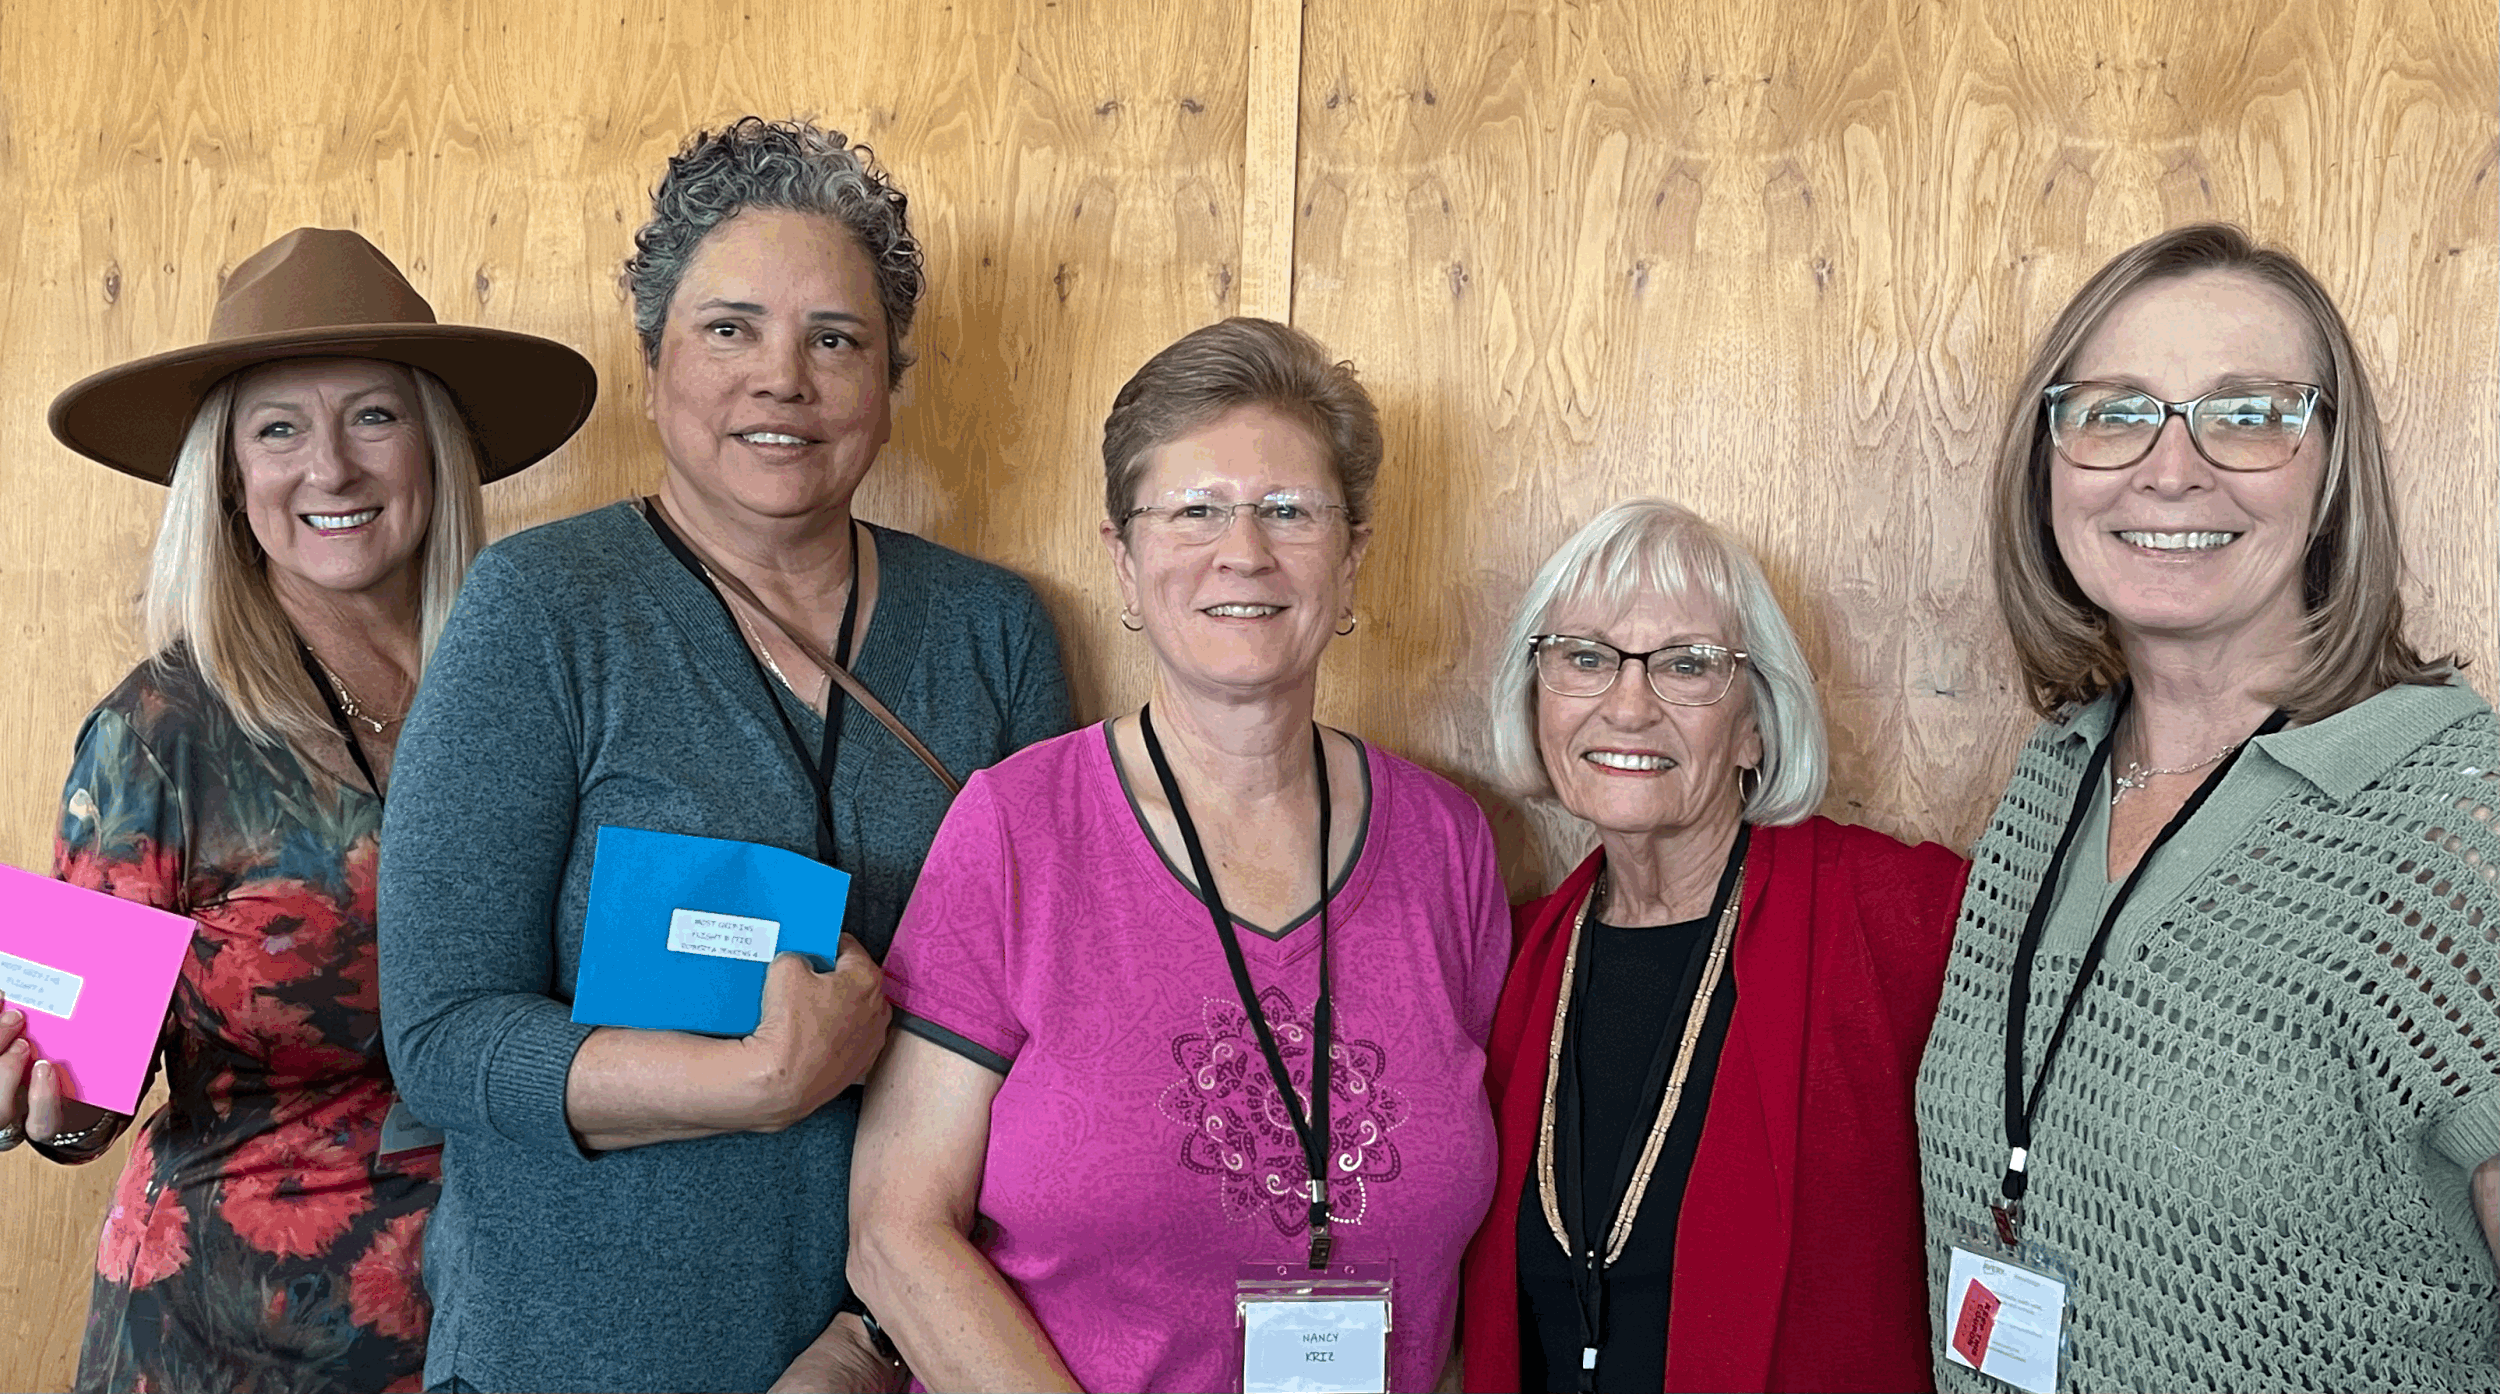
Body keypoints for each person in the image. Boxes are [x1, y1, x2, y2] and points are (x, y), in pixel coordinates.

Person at [375, 118, 1069, 1394]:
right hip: (569, 1355)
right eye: (729, 328)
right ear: (653, 365)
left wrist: (872, 1337)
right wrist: (755, 1079)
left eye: (835, 339)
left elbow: (1048, 1039)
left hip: (909, 1352)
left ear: (889, 382)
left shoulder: (994, 633)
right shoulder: (540, 609)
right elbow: (442, 1034)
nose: (782, 379)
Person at [848, 317, 1508, 1392]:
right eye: (1194, 509)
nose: (1242, 550)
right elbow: (894, 1230)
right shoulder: (1017, 827)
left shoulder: (1448, 844)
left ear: (1351, 558)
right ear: (1122, 556)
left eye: (1288, 510)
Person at [0, 227, 593, 1393]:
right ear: (228, 472)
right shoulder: (155, 731)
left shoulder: (543, 690)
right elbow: (75, 1096)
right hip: (223, 1340)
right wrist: (42, 1100)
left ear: (436, 444)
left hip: (505, 1323)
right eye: (279, 428)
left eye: (373, 416)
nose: (332, 467)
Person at [1916, 223, 2500, 1391]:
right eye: (2114, 411)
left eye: (2246, 413)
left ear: (2331, 469)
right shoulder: (2052, 779)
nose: (2168, 468)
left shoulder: (2460, 821)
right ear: (2050, 463)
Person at [1455, 499, 1968, 1393]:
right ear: (1536, 697)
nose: (1626, 705)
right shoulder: (1517, 955)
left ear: (1756, 726)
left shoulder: (1897, 919)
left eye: (1687, 666)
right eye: (1584, 658)